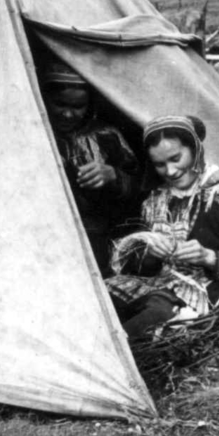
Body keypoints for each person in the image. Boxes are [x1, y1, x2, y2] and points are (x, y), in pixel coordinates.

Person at [107, 114, 219, 338]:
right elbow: (145, 271)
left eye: (176, 158)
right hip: (164, 286)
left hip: (213, 291)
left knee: (158, 312)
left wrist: (209, 257)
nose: (170, 171)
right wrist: (151, 254)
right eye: (159, 164)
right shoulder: (156, 200)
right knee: (101, 292)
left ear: (195, 149)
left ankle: (112, 354)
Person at [40, 60, 139, 276]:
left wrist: (113, 175)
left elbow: (140, 189)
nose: (67, 114)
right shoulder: (33, 130)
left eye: (77, 107)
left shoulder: (107, 136)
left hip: (94, 234)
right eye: (60, 104)